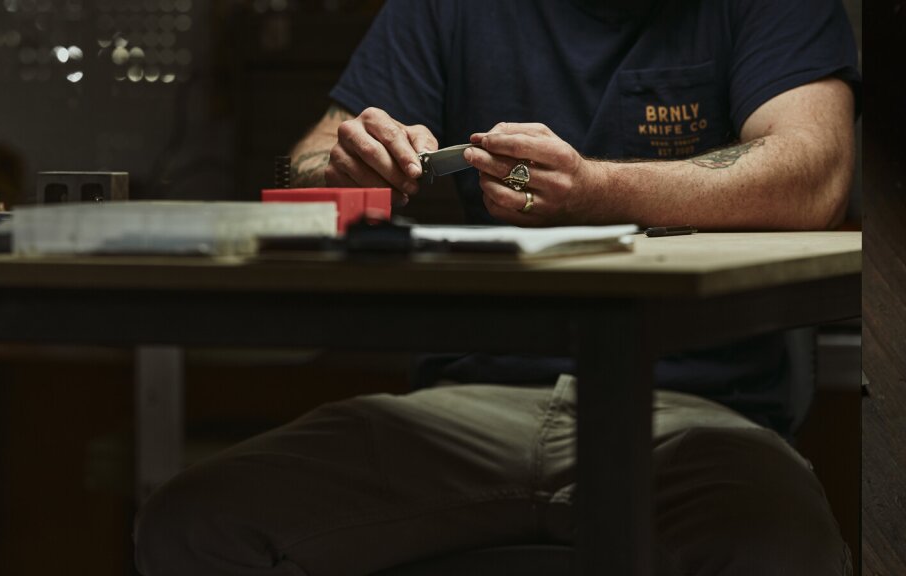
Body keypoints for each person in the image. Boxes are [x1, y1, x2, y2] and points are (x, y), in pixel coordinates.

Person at [135, 0, 861, 574]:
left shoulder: (770, 6)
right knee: (197, 527)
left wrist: (597, 188)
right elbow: (301, 172)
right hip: (460, 413)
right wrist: (345, 168)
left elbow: (815, 174)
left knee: (782, 551)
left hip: (696, 416)